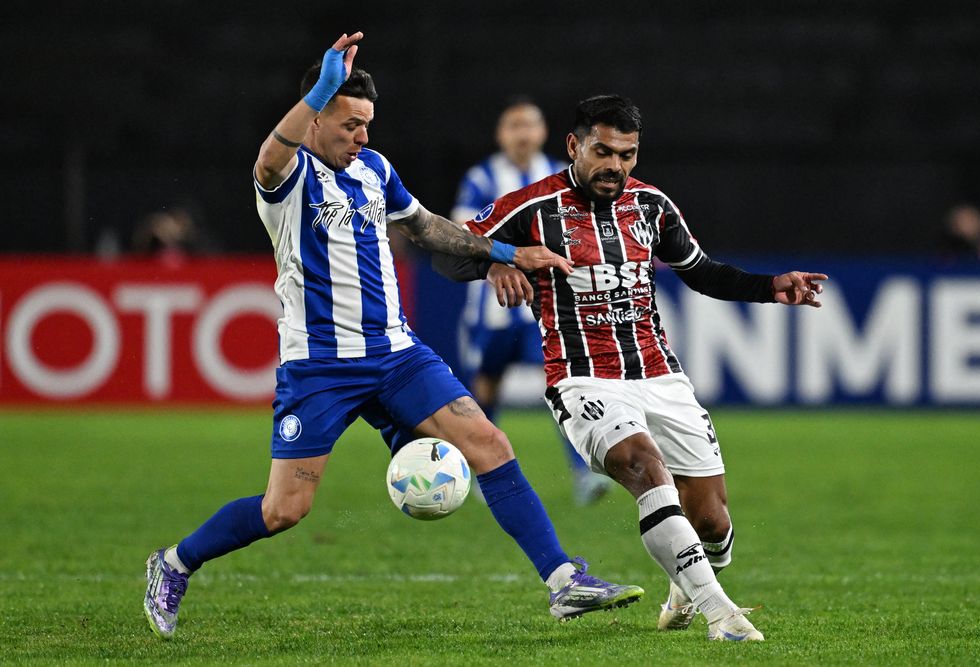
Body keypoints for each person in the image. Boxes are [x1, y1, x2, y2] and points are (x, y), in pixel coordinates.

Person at [142, 34, 644, 640]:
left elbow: (431, 229)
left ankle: (564, 580)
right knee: (283, 511)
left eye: (368, 124)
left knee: (490, 444)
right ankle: (174, 563)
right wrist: (322, 88)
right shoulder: (289, 178)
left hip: (397, 354)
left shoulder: (376, 171)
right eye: (351, 123)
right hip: (321, 368)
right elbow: (268, 158)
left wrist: (506, 252)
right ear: (318, 115)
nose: (363, 136)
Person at [434, 94, 830, 642]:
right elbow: (446, 254)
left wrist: (769, 287)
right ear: (574, 146)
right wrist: (497, 258)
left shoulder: (652, 206)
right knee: (644, 466)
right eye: (603, 151)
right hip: (581, 377)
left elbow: (702, 272)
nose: (615, 166)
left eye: (627, 154)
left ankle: (685, 586)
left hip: (660, 375)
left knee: (712, 521)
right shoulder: (529, 207)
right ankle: (723, 616)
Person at [451, 97, 611, 505]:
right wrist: (506, 256)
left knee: (563, 384)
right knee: (486, 388)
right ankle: (484, 474)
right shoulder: (482, 176)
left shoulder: (561, 176)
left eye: (529, 125)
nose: (522, 134)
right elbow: (458, 231)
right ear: (501, 135)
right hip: (494, 304)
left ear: (542, 132)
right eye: (513, 126)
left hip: (549, 303)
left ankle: (585, 474)